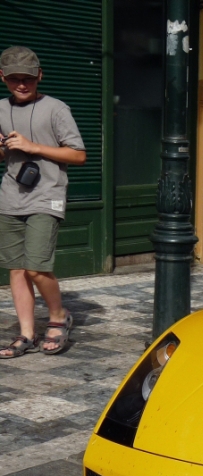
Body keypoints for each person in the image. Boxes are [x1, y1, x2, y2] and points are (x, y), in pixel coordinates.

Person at [0, 46, 85, 358]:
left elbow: (78, 155)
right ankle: (26, 334)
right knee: (17, 268)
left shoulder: (56, 109)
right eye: (13, 79)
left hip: (46, 195)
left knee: (37, 267)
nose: (21, 85)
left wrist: (32, 146)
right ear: (3, 78)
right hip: (10, 196)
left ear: (39, 75)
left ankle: (58, 316)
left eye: (27, 78)